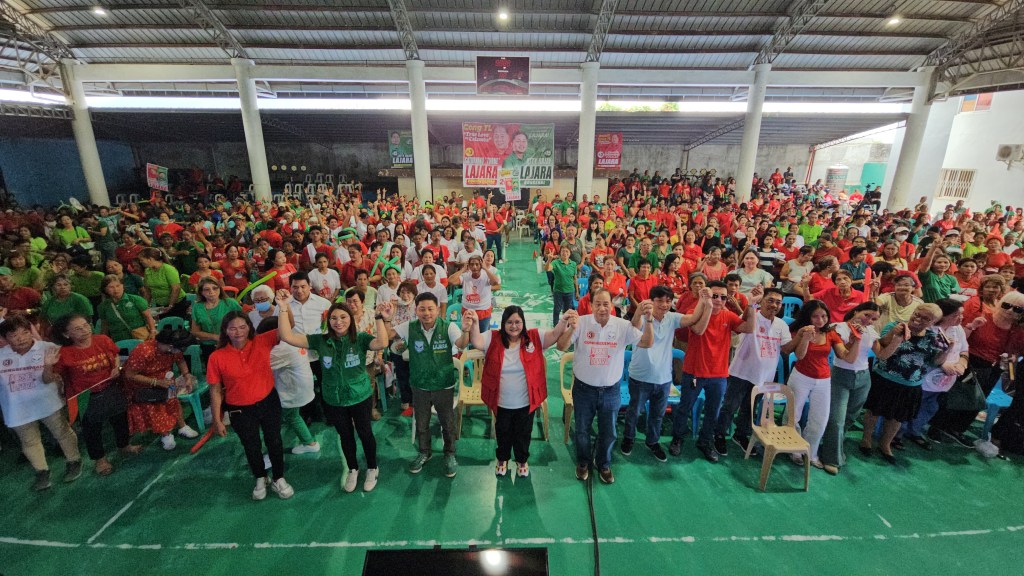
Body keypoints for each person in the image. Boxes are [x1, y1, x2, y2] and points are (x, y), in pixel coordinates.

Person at [277, 291, 392, 492]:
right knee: (345, 435)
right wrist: (283, 307)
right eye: (333, 318)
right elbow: (287, 336)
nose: (338, 322)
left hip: (360, 396)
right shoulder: (320, 341)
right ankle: (353, 469)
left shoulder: (361, 339)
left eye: (343, 317)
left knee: (365, 433)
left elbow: (382, 343)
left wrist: (379, 317)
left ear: (351, 319)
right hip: (334, 399)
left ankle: (372, 467)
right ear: (328, 321)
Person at [556, 289, 654, 484]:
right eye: (598, 304)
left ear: (612, 305)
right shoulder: (581, 323)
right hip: (584, 390)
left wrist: (649, 320)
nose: (602, 308)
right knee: (582, 430)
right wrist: (571, 329)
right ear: (591, 305)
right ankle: (583, 462)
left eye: (606, 304)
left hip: (611, 391)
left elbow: (647, 342)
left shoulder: (622, 326)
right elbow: (561, 346)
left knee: (609, 432)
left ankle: (604, 464)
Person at [468, 305, 568, 477]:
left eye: (517, 322)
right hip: (501, 402)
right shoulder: (493, 337)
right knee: (503, 433)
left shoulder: (534, 337)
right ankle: (502, 459)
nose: (514, 326)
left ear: (523, 323)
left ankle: (522, 461)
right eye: (509, 322)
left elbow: (554, 335)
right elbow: (476, 341)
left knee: (524, 434)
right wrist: (475, 322)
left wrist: (564, 320)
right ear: (503, 323)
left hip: (526, 402)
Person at [207, 311, 295, 500]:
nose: (238, 332)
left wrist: (283, 305)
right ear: (225, 331)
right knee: (251, 445)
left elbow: (289, 326)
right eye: (232, 328)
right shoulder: (217, 357)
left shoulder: (263, 341)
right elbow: (215, 390)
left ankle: (278, 477)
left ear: (249, 327)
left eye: (242, 327)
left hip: (268, 402)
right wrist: (217, 419)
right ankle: (260, 476)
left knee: (275, 441)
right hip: (240, 409)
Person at [671, 281, 759, 462]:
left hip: (718, 374)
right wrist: (707, 306)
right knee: (684, 407)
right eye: (714, 296)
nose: (719, 300)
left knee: (713, 411)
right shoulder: (694, 312)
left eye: (723, 297)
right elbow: (698, 330)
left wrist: (751, 304)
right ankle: (677, 438)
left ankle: (705, 442)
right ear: (706, 296)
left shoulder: (729, 316)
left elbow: (749, 328)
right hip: (694, 371)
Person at [387, 292, 470, 478]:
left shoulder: (448, 327)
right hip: (420, 385)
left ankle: (450, 454)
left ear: (437, 310)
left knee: (447, 423)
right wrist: (387, 319)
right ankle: (425, 452)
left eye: (430, 308)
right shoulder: (409, 327)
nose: (426, 313)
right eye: (422, 309)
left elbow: (462, 344)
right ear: (416, 310)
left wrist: (466, 330)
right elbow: (389, 335)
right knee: (422, 423)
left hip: (444, 385)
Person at [47, 313, 142, 476]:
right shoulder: (64, 353)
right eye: (78, 328)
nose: (85, 330)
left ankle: (124, 445)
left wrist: (116, 367)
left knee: (120, 419)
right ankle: (100, 460)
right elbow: (51, 378)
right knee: (92, 430)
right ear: (66, 334)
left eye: (86, 325)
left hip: (110, 387)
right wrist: (48, 367)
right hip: (86, 397)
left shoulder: (102, 340)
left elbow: (115, 354)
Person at [623, 286, 709, 462]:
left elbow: (692, 319)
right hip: (640, 376)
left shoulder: (672, 318)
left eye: (668, 301)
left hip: (663, 378)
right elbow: (633, 325)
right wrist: (639, 312)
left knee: (657, 414)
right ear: (651, 301)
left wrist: (702, 299)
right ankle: (628, 439)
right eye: (659, 300)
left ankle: (652, 442)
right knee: (634, 412)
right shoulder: (642, 317)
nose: (664, 304)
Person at [928, 291, 1024, 446]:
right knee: (956, 398)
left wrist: (1012, 357)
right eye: (1007, 306)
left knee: (977, 401)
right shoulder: (984, 317)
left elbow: (1016, 351)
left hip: (994, 367)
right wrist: (972, 327)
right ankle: (937, 426)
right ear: (1001, 303)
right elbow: (961, 339)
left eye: (1018, 309)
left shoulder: (1017, 330)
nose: (1010, 311)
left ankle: (957, 429)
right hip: (971, 362)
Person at [0, 314, 83, 491]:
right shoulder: (1, 355)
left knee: (62, 433)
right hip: (17, 409)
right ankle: (42, 472)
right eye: (14, 335)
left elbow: (56, 377)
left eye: (24, 332)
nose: (21, 338)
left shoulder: (49, 349)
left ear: (32, 331)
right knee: (29, 442)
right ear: (6, 338)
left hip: (48, 403)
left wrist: (49, 366)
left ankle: (74, 460)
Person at [713, 287, 797, 457]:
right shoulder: (753, 316)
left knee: (750, 409)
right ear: (762, 300)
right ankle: (719, 434)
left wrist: (801, 336)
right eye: (770, 300)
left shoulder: (781, 325)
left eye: (778, 302)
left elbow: (787, 349)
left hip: (763, 376)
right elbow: (743, 320)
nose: (774, 305)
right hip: (741, 372)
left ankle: (740, 435)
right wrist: (751, 303)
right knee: (730, 406)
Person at [860, 304, 947, 464]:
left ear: (933, 322)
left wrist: (947, 350)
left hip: (911, 383)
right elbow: (881, 346)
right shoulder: (895, 326)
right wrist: (894, 334)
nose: (918, 319)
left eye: (925, 318)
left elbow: (935, 362)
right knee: (874, 411)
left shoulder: (932, 337)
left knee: (897, 417)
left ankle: (885, 444)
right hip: (885, 377)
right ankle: (866, 439)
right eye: (917, 314)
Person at [787, 300, 862, 469]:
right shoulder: (800, 331)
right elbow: (799, 356)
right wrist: (805, 339)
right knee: (793, 416)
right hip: (801, 377)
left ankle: (811, 452)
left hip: (823, 380)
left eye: (823, 316)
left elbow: (846, 357)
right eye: (815, 316)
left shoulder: (831, 333)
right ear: (808, 317)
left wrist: (856, 340)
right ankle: (794, 450)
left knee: (820, 419)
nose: (820, 320)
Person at [819, 302, 881, 474]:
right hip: (841, 374)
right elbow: (845, 356)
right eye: (866, 315)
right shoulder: (839, 328)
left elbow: (882, 354)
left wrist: (898, 338)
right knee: (837, 419)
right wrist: (854, 341)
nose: (869, 320)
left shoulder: (870, 331)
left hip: (864, 377)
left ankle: (833, 444)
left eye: (874, 318)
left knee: (850, 417)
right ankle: (832, 458)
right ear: (856, 311)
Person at [903, 298, 970, 449]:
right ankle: (897, 434)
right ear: (943, 315)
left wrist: (962, 363)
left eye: (962, 315)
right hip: (924, 376)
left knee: (930, 406)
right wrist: (943, 363)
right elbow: (921, 353)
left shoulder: (957, 329)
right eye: (956, 315)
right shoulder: (929, 329)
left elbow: (964, 349)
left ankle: (914, 431)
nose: (961, 318)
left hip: (944, 380)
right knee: (913, 405)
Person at [123, 328, 200, 451]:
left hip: (165, 380)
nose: (181, 352)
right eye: (181, 349)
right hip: (144, 385)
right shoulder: (144, 351)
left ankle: (182, 426)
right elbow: (130, 375)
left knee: (173, 401)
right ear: (170, 346)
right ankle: (166, 435)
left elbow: (180, 360)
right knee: (158, 408)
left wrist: (186, 376)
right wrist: (156, 382)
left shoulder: (174, 349)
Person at [190, 277, 243, 362]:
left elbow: (243, 323)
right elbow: (195, 332)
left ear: (220, 289)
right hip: (209, 347)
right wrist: (215, 337)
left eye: (215, 288)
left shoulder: (230, 303)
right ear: (201, 292)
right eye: (207, 289)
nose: (211, 292)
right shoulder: (197, 307)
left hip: (231, 343)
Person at [98, 273, 157, 343]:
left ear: (123, 286)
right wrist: (103, 341)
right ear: (105, 290)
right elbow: (105, 326)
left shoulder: (136, 299)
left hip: (139, 338)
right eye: (111, 287)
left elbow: (148, 317)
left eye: (118, 286)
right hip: (118, 341)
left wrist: (153, 331)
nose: (116, 289)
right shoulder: (103, 306)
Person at [449, 254, 501, 333]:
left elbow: (496, 282)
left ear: (481, 265)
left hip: (483, 311)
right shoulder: (465, 276)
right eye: (472, 264)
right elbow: (450, 281)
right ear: (468, 266)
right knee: (467, 335)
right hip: (468, 311)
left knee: (483, 336)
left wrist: (485, 268)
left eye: (477, 264)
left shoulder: (486, 276)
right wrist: (463, 270)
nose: (474, 267)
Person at [138, 247, 188, 318]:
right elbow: (148, 291)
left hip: (176, 304)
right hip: (160, 306)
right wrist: (146, 306)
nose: (140, 262)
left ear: (150, 259)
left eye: (142, 260)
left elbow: (176, 288)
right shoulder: (147, 271)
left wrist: (170, 305)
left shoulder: (168, 269)